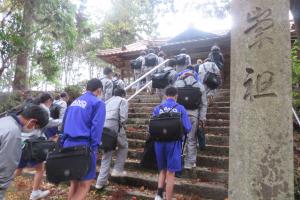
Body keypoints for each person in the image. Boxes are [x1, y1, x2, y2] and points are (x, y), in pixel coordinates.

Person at [62, 78, 106, 200]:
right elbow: (97, 128)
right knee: (85, 183)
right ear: (99, 90)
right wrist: (94, 148)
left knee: (74, 182)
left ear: (86, 88)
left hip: (68, 143)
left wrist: (62, 142)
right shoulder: (98, 103)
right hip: (84, 146)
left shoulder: (74, 102)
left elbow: (64, 124)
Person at [15, 93, 62, 200]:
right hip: (32, 144)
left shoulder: (30, 105)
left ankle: (3, 183)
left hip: (21, 141)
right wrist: (63, 121)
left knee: (18, 169)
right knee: (40, 169)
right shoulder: (43, 109)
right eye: (52, 101)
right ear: (49, 100)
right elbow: (48, 123)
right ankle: (35, 193)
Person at [0, 105, 49, 200]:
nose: (34, 130)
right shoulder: (13, 134)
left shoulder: (5, 120)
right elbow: (5, 168)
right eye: (36, 127)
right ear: (32, 122)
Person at [152, 87, 192, 200]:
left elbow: (151, 127)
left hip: (159, 143)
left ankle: (159, 195)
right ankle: (168, 198)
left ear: (165, 95)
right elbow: (188, 127)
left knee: (162, 169)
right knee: (171, 172)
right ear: (176, 96)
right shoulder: (180, 108)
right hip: (174, 144)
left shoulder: (157, 108)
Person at [174, 66, 208, 169]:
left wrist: (179, 78)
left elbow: (173, 99)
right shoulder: (200, 85)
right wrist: (202, 119)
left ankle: (176, 162)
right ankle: (189, 163)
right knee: (192, 139)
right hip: (194, 115)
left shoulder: (178, 84)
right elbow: (204, 104)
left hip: (180, 115)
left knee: (179, 139)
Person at [95, 88, 129, 189]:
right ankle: (117, 169)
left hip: (104, 129)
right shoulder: (123, 101)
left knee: (107, 153)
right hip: (115, 128)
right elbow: (123, 118)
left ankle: (100, 182)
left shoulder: (106, 101)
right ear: (123, 94)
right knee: (124, 146)